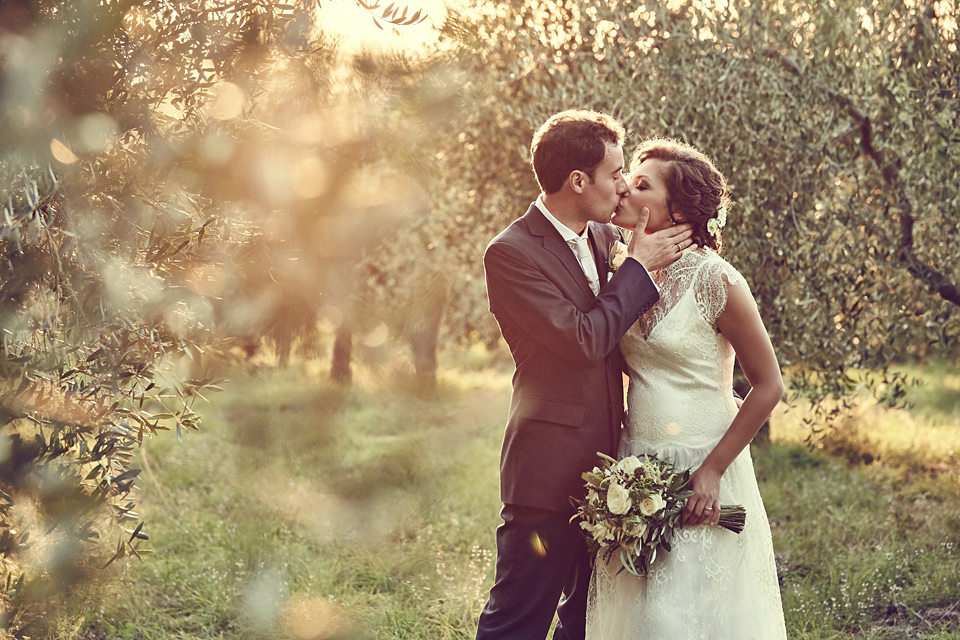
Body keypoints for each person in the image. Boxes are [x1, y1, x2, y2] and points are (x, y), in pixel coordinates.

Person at [476, 111, 695, 640]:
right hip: (546, 474)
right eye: (616, 173)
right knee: (517, 621)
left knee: (585, 621)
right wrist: (637, 269)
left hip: (609, 472)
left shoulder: (599, 236)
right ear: (579, 181)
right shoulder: (511, 253)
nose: (623, 187)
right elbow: (583, 340)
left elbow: (626, 337)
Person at [585, 138, 787, 639]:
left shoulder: (718, 280)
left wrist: (713, 471)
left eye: (641, 183)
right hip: (637, 464)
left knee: (683, 616)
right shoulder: (622, 268)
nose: (624, 188)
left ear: (675, 208)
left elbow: (768, 385)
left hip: (704, 464)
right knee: (640, 613)